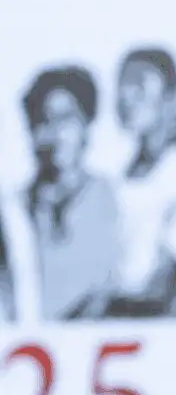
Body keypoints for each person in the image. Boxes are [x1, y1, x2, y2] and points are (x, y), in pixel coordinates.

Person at [91, 47, 176, 319]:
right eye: (122, 86)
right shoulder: (127, 175)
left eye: (139, 86)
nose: (126, 97)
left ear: (169, 98)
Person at [20, 65, 123, 321]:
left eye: (65, 119)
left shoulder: (115, 200)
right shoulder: (14, 210)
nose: (55, 134)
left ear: (86, 124)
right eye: (43, 121)